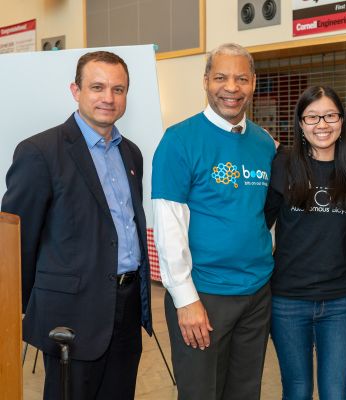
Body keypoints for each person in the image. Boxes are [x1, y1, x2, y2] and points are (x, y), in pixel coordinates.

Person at [1, 51, 152, 399]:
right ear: (76, 90)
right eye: (97, 87)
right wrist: (15, 312)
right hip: (71, 314)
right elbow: (16, 242)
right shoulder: (40, 151)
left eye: (118, 89)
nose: (108, 98)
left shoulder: (131, 153)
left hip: (127, 308)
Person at [152, 43, 277, 399]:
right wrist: (185, 298)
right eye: (221, 77)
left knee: (244, 392)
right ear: (206, 81)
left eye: (241, 78)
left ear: (253, 82)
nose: (231, 87)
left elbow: (265, 214)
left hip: (256, 295)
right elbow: (168, 224)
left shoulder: (264, 143)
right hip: (204, 296)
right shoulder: (179, 140)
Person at [264, 86, 346, 399]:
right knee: (297, 390)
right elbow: (259, 224)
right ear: (301, 123)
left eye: (330, 115)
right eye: (312, 117)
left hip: (341, 302)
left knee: (336, 391)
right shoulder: (283, 166)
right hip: (287, 300)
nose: (322, 124)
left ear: (342, 120)